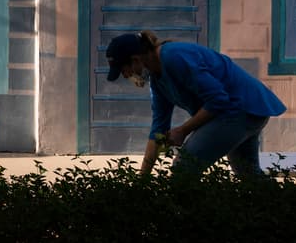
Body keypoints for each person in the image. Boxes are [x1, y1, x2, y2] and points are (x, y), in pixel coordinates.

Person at [104, 30, 286, 178]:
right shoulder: (157, 80)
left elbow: (218, 100)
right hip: (250, 109)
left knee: (183, 171)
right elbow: (158, 130)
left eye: (123, 70)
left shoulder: (173, 57)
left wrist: (183, 130)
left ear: (136, 59)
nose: (126, 76)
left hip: (238, 109)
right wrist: (141, 181)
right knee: (249, 175)